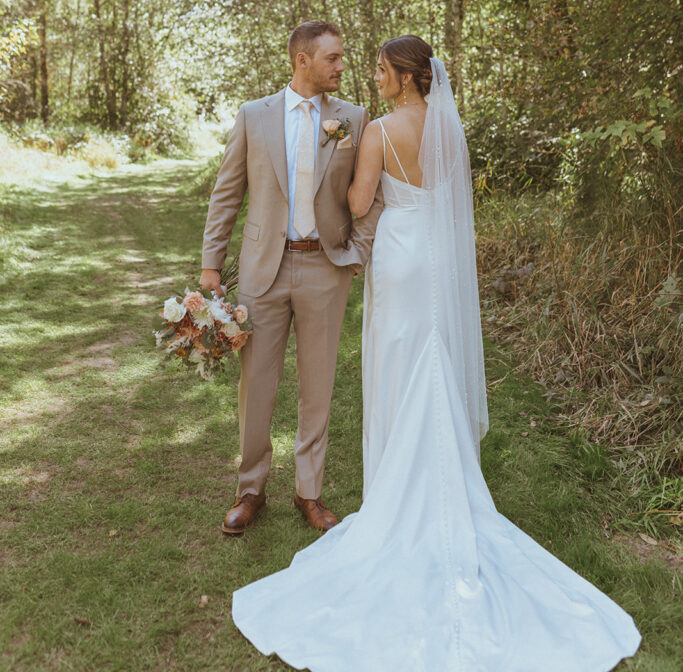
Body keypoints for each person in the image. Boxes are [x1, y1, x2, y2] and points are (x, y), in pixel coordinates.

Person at [232, 35, 641, 671]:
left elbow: (360, 203)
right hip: (436, 258)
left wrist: (340, 164)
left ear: (403, 76)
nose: (372, 77)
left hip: (398, 258)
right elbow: (449, 203)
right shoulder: (449, 129)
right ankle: (446, 479)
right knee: (434, 359)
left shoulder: (377, 132)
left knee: (398, 364)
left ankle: (398, 488)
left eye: (380, 70)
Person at [200, 20, 382, 536]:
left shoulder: (353, 117)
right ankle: (250, 490)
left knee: (317, 386)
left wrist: (358, 251)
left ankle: (310, 493)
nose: (341, 66)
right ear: (302, 60)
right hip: (264, 269)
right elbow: (226, 193)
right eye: (333, 58)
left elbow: (373, 193)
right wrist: (212, 264)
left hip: (326, 268)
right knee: (257, 383)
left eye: (342, 57)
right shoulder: (254, 117)